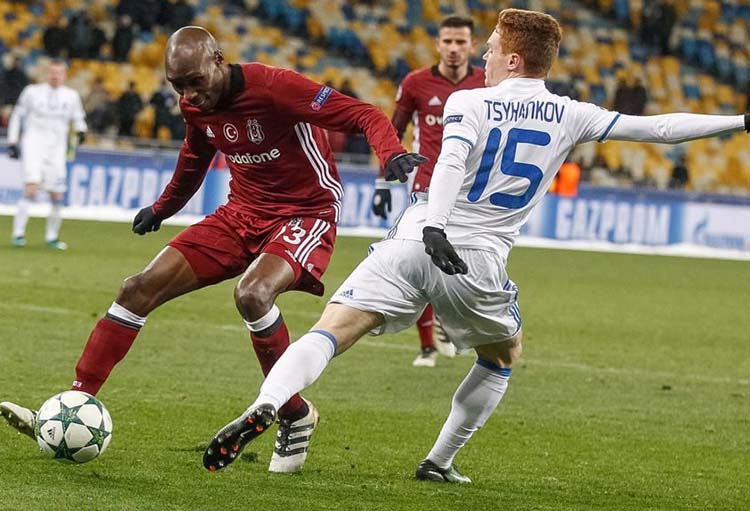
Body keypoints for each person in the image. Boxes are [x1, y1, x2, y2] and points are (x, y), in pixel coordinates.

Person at [202, 8, 750, 483]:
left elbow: (452, 162)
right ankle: (439, 460)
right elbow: (659, 129)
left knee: (332, 329)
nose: (484, 58)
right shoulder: (571, 113)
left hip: (417, 235)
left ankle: (268, 404)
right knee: (504, 354)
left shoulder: (469, 103)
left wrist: (435, 223)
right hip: (476, 257)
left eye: (490, 49)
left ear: (513, 59)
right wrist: (740, 119)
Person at [0, 26, 423, 475]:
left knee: (253, 294)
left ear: (218, 60)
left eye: (195, 82)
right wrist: (162, 208)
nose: (188, 95)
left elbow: (361, 113)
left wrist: (389, 152)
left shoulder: (275, 86)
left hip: (306, 212)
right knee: (137, 289)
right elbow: (194, 158)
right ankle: (75, 401)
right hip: (241, 213)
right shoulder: (193, 104)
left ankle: (284, 410)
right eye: (177, 85)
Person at [371, 15, 485, 367]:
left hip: (473, 189)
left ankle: (448, 324)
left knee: (466, 264)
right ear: (438, 44)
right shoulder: (416, 82)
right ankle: (426, 346)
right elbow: (393, 133)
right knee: (422, 260)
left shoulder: (487, 83)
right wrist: (383, 183)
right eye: (447, 41)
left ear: (471, 45)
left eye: (460, 42)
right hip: (427, 186)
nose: (453, 49)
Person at [7, 59, 87, 250]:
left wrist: (81, 131)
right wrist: (13, 140)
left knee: (57, 194)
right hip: (33, 145)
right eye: (52, 72)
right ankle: (18, 234)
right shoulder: (32, 92)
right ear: (46, 73)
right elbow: (18, 115)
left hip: (57, 150)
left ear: (65, 75)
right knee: (31, 188)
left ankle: (52, 236)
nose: (55, 76)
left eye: (59, 72)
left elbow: (78, 118)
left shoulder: (71, 96)